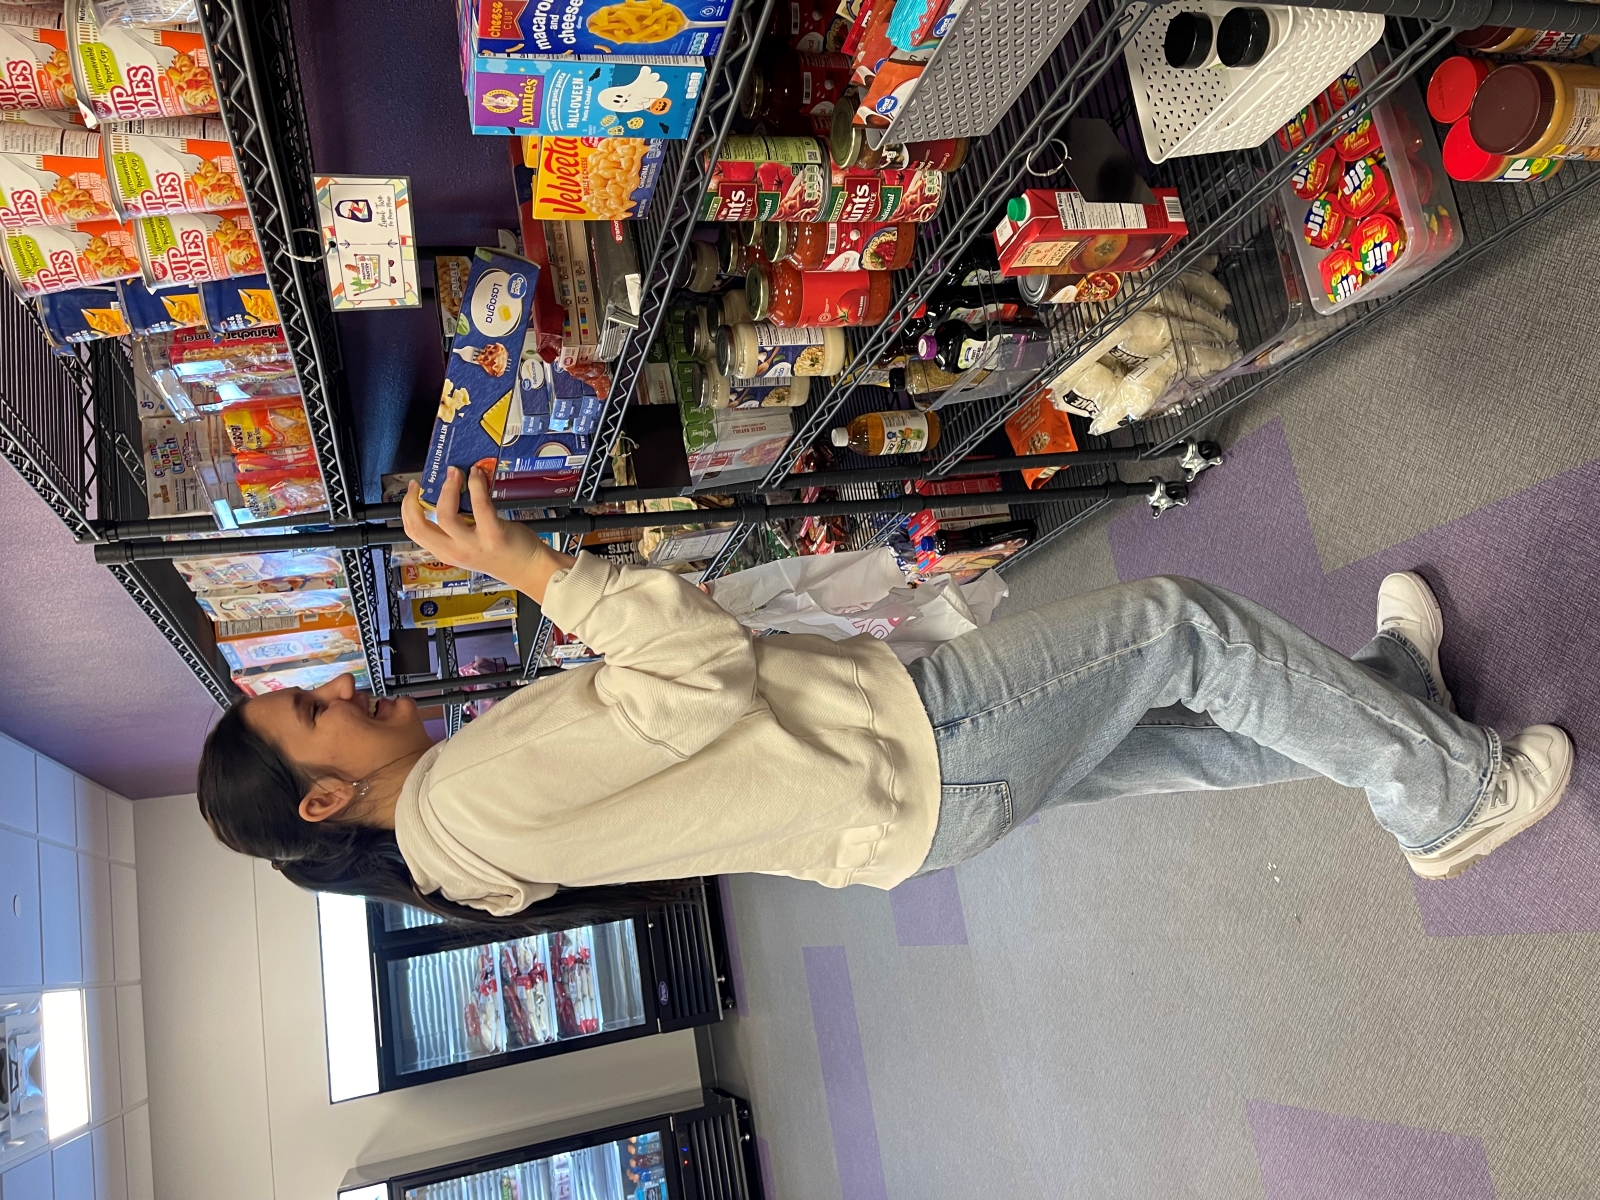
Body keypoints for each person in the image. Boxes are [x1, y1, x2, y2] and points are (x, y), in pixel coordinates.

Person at [198, 466, 1572, 925]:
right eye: (312, 709)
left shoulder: (457, 833)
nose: (344, 685)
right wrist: (540, 571)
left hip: (888, 793)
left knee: (1178, 735)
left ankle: (1398, 700)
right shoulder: (465, 797)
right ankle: (1443, 796)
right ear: (323, 795)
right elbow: (692, 676)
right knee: (1182, 629)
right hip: (907, 747)